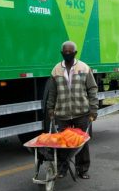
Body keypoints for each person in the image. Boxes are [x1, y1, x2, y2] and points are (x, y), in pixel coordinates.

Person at [46, 41, 98, 179]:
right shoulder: (56, 70)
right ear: (62, 53)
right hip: (62, 114)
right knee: (63, 144)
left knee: (81, 143)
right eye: (65, 52)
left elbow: (92, 89)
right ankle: (62, 169)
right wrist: (50, 109)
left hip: (82, 112)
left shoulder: (84, 68)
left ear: (75, 53)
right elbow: (52, 92)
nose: (67, 54)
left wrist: (94, 109)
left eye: (70, 52)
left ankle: (83, 169)